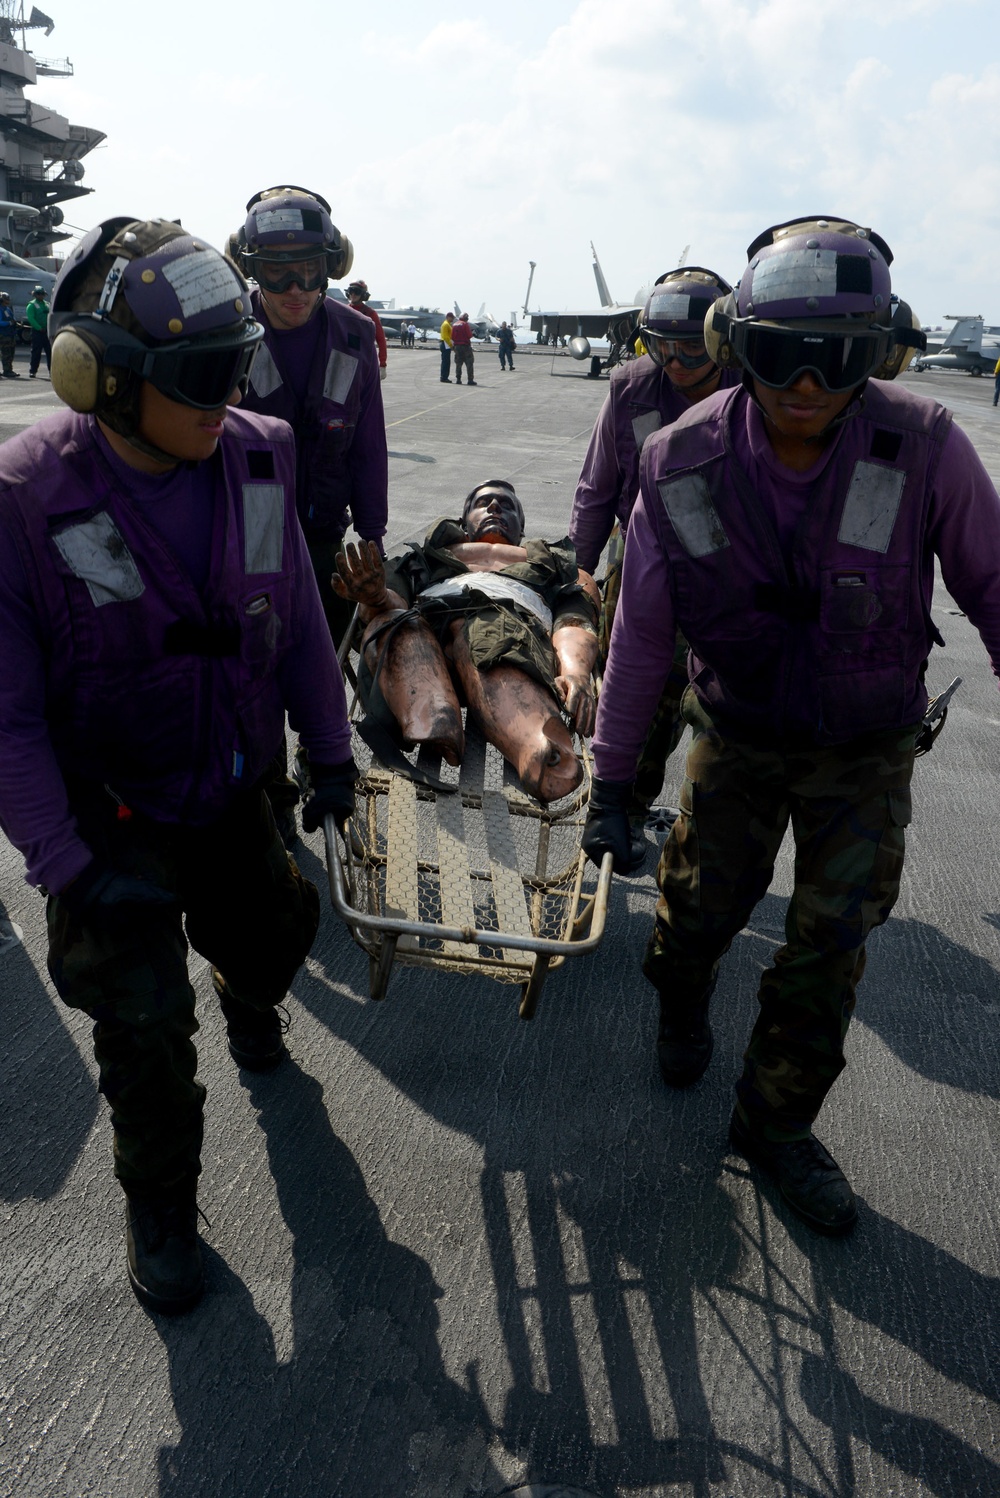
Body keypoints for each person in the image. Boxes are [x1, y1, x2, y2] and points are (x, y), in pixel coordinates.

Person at [583, 215, 1000, 1236]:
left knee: (829, 946)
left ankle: (772, 1124)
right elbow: (641, 639)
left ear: (879, 355)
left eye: (836, 358)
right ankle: (681, 1002)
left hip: (864, 750)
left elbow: (993, 585)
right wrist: (606, 784)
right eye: (778, 355)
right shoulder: (677, 462)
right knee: (695, 918)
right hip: (736, 732)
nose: (805, 384)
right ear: (739, 343)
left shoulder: (923, 447)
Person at [0, 217, 360, 1314]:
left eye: (234, 370)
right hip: (104, 810)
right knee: (143, 1027)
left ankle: (250, 994)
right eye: (198, 380)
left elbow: (296, 618)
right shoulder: (25, 497)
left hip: (233, 774)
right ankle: (159, 1199)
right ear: (98, 379)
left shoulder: (260, 452)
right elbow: (6, 717)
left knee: (275, 934)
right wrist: (67, 862)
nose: (224, 401)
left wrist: (333, 754)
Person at [229, 185, 387, 842]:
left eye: (310, 271)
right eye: (276, 272)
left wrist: (373, 532)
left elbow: (371, 440)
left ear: (332, 265)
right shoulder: (226, 333)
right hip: (247, 542)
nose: (295, 288)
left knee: (321, 661)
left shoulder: (352, 334)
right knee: (254, 675)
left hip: (323, 534)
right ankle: (272, 801)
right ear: (251, 268)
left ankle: (314, 756)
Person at [570, 267, 738, 867]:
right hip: (645, 562)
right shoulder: (630, 388)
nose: (675, 360)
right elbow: (597, 486)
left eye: (690, 345)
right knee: (641, 699)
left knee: (725, 707)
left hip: (732, 572)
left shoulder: (754, 382)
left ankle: (714, 834)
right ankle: (626, 810)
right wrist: (577, 572)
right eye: (659, 345)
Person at [332, 480, 600, 803]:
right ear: (464, 522)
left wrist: (575, 669)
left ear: (522, 528)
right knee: (394, 623)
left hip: (507, 639)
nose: (495, 507)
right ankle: (434, 719)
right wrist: (376, 596)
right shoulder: (427, 558)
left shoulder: (553, 566)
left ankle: (543, 751)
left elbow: (575, 616)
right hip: (428, 646)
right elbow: (389, 600)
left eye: (507, 505)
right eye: (483, 502)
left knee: (485, 635)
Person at [346, 278, 388, 379]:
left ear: (363, 295)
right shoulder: (344, 311)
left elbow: (381, 339)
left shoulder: (370, 314)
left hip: (363, 359)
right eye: (351, 291)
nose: (353, 294)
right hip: (345, 358)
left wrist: (382, 364)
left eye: (357, 292)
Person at [26, 282, 51, 377]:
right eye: (40, 294)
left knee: (50, 352)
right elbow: (31, 319)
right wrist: (39, 328)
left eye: (42, 294)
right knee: (36, 352)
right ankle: (33, 370)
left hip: (47, 331)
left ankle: (51, 371)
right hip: (38, 332)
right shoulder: (31, 305)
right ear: (35, 295)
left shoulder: (47, 304)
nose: (42, 296)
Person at [452, 311, 476, 385]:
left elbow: (452, 336)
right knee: (469, 363)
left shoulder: (454, 324)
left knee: (458, 363)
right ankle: (470, 380)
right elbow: (469, 335)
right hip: (465, 347)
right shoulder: (465, 324)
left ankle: (458, 379)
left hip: (457, 347)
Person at [0, 290, 20, 377]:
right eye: (6, 299)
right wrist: (9, 323)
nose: (8, 300)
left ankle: (9, 369)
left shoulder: (7, 309)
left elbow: (12, 318)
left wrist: (15, 323)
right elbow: (0, 322)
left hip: (10, 334)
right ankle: (7, 370)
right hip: (3, 334)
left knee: (11, 353)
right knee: (6, 353)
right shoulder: (0, 309)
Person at [439, 309, 454, 382]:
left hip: (446, 344)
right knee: (445, 362)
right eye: (452, 317)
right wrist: (451, 345)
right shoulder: (446, 324)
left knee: (446, 361)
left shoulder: (447, 324)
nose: (453, 319)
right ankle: (444, 377)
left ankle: (444, 376)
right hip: (445, 344)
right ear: (448, 317)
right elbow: (445, 337)